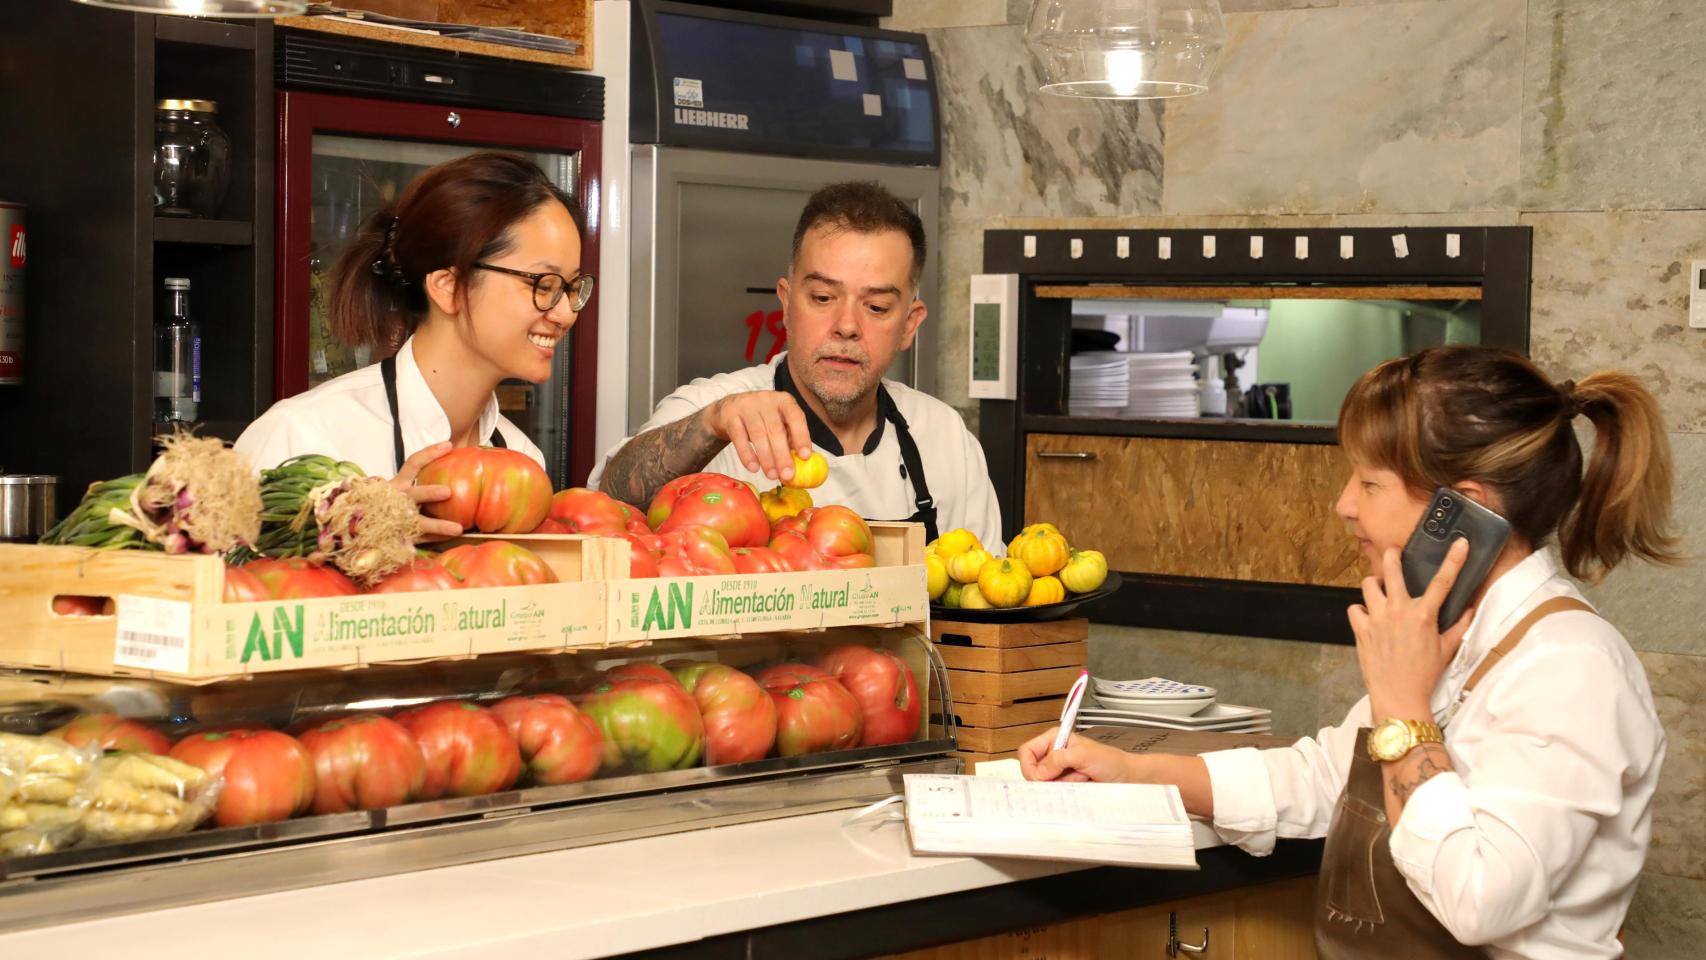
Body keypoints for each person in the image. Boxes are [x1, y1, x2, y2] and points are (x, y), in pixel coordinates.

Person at [1022, 346, 1678, 958]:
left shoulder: (1571, 665)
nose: (1342, 505)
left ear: (1462, 511)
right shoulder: (1445, 633)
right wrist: (1132, 773)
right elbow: (1323, 779)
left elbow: (1481, 900)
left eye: (1369, 483)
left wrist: (1401, 705)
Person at [590, 181, 1001, 545]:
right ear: (786, 304)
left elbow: (981, 606)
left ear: (910, 325)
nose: (846, 326)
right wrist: (712, 423)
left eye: (876, 307)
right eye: (823, 298)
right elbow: (607, 504)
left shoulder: (945, 438)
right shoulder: (712, 408)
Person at [236, 152, 592, 537]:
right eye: (543, 284)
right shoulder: (306, 437)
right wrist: (356, 531)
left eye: (571, 288)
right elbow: (219, 584)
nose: (566, 314)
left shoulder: (522, 458)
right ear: (448, 287)